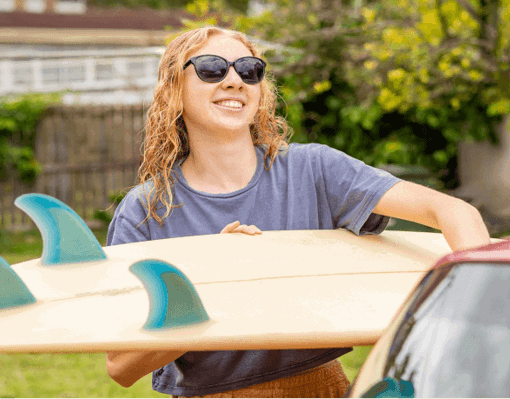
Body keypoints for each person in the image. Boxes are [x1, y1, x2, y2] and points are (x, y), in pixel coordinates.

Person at [104, 26, 491, 398]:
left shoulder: (314, 170)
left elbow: (453, 212)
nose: (235, 80)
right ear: (174, 89)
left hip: (321, 387)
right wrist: (214, 284)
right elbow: (122, 367)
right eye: (211, 68)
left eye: (249, 70)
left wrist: (473, 317)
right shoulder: (144, 211)